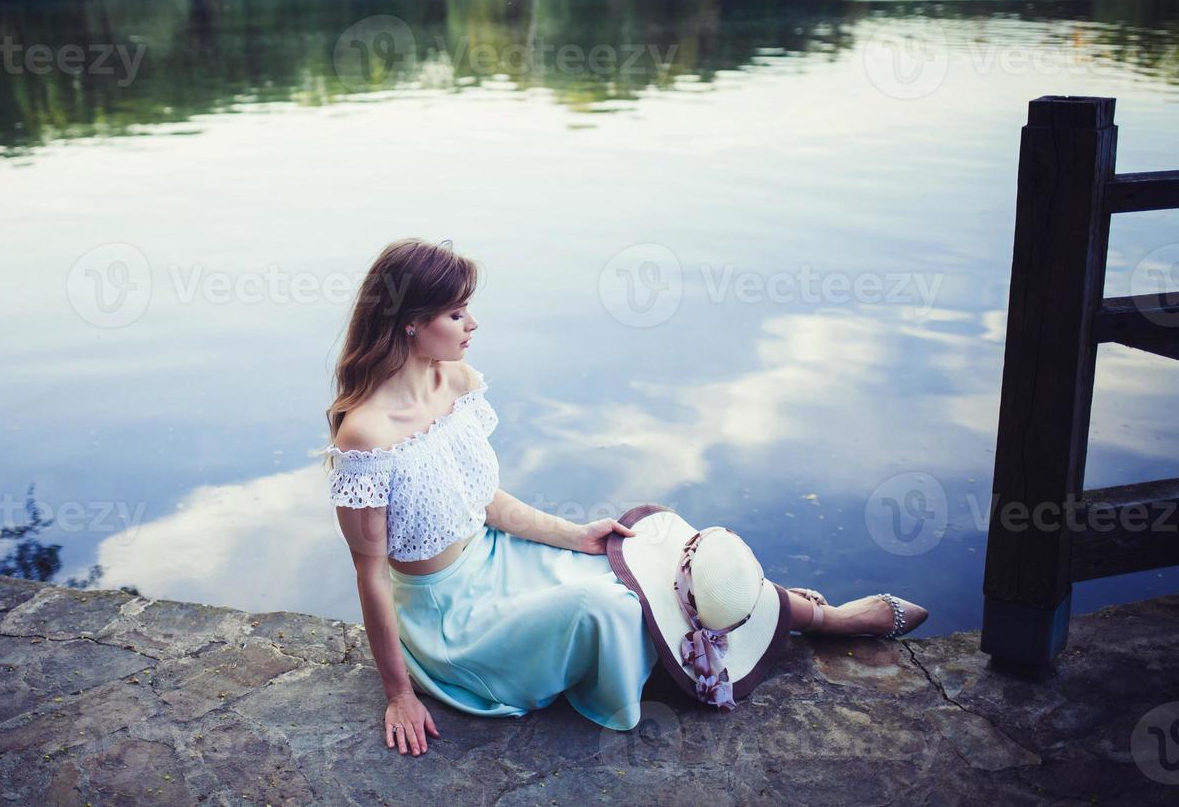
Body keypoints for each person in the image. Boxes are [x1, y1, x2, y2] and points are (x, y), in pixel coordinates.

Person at [317, 238, 928, 757]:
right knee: (606, 606)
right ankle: (781, 623)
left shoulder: (458, 381)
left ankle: (812, 615)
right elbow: (369, 576)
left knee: (646, 552)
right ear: (409, 321)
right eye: (456, 314)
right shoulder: (366, 435)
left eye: (467, 309)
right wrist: (398, 691)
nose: (472, 325)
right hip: (451, 614)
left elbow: (485, 502)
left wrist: (570, 534)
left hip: (501, 555)